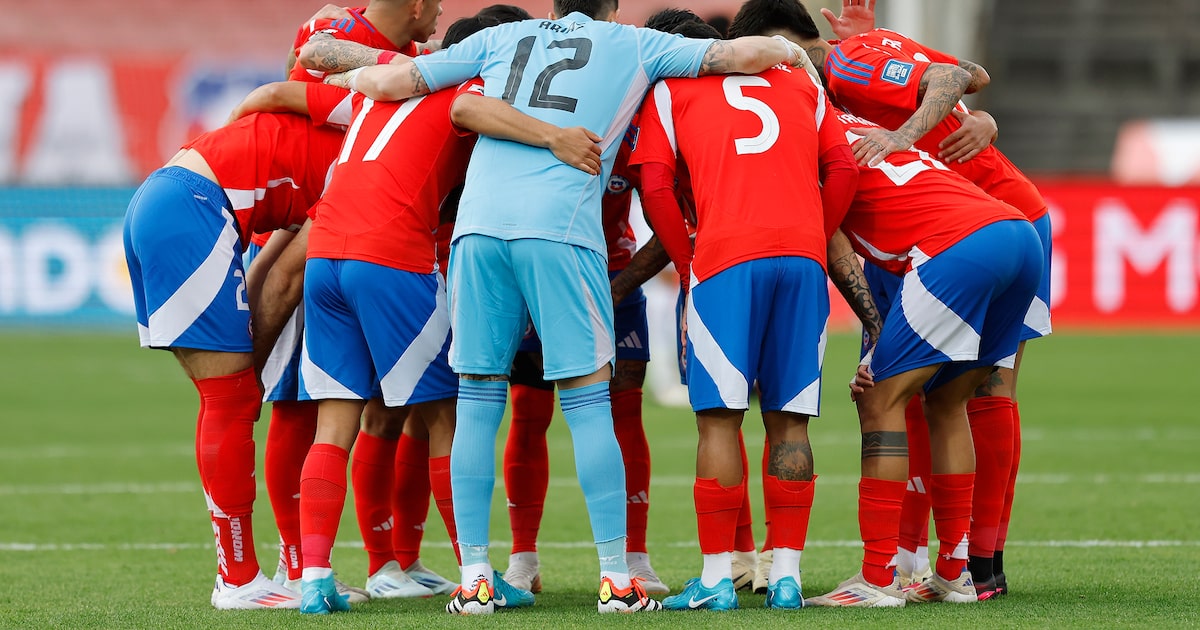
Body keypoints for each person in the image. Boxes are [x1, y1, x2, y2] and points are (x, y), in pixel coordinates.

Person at [323, 0, 811, 614]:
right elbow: (737, 54)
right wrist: (792, 53)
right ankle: (618, 580)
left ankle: (475, 577)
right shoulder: (631, 43)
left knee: (476, 399)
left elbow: (395, 81)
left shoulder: (503, 36)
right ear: (611, 5)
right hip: (561, 228)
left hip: (478, 230)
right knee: (586, 401)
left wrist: (345, 75)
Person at [809, 0, 1054, 596]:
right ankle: (939, 566)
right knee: (933, 396)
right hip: (974, 227)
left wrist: (901, 134)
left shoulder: (844, 65)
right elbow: (968, 78)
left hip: (965, 226)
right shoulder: (839, 90)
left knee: (936, 394)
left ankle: (940, 569)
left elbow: (959, 76)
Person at [631, 16, 868, 611]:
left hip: (726, 257)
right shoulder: (799, 81)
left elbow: (656, 185)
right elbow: (842, 168)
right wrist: (815, 236)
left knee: (719, 420)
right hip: (801, 258)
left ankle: (717, 578)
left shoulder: (671, 87)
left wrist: (689, 263)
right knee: (791, 421)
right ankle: (785, 576)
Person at [121, 84, 351, 610]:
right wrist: (253, 370)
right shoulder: (362, 161)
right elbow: (286, 278)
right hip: (194, 208)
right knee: (230, 398)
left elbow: (272, 261)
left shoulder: (340, 136)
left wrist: (252, 358)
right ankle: (238, 578)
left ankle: (248, 573)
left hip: (173, 198)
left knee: (231, 396)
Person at [258, 0, 458, 599]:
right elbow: (300, 70)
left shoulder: (416, 66)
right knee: (299, 406)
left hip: (348, 230)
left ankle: (384, 563)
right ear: (418, 6)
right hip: (314, 226)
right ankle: (295, 565)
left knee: (382, 410)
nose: (443, 14)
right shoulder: (339, 29)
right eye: (437, 5)